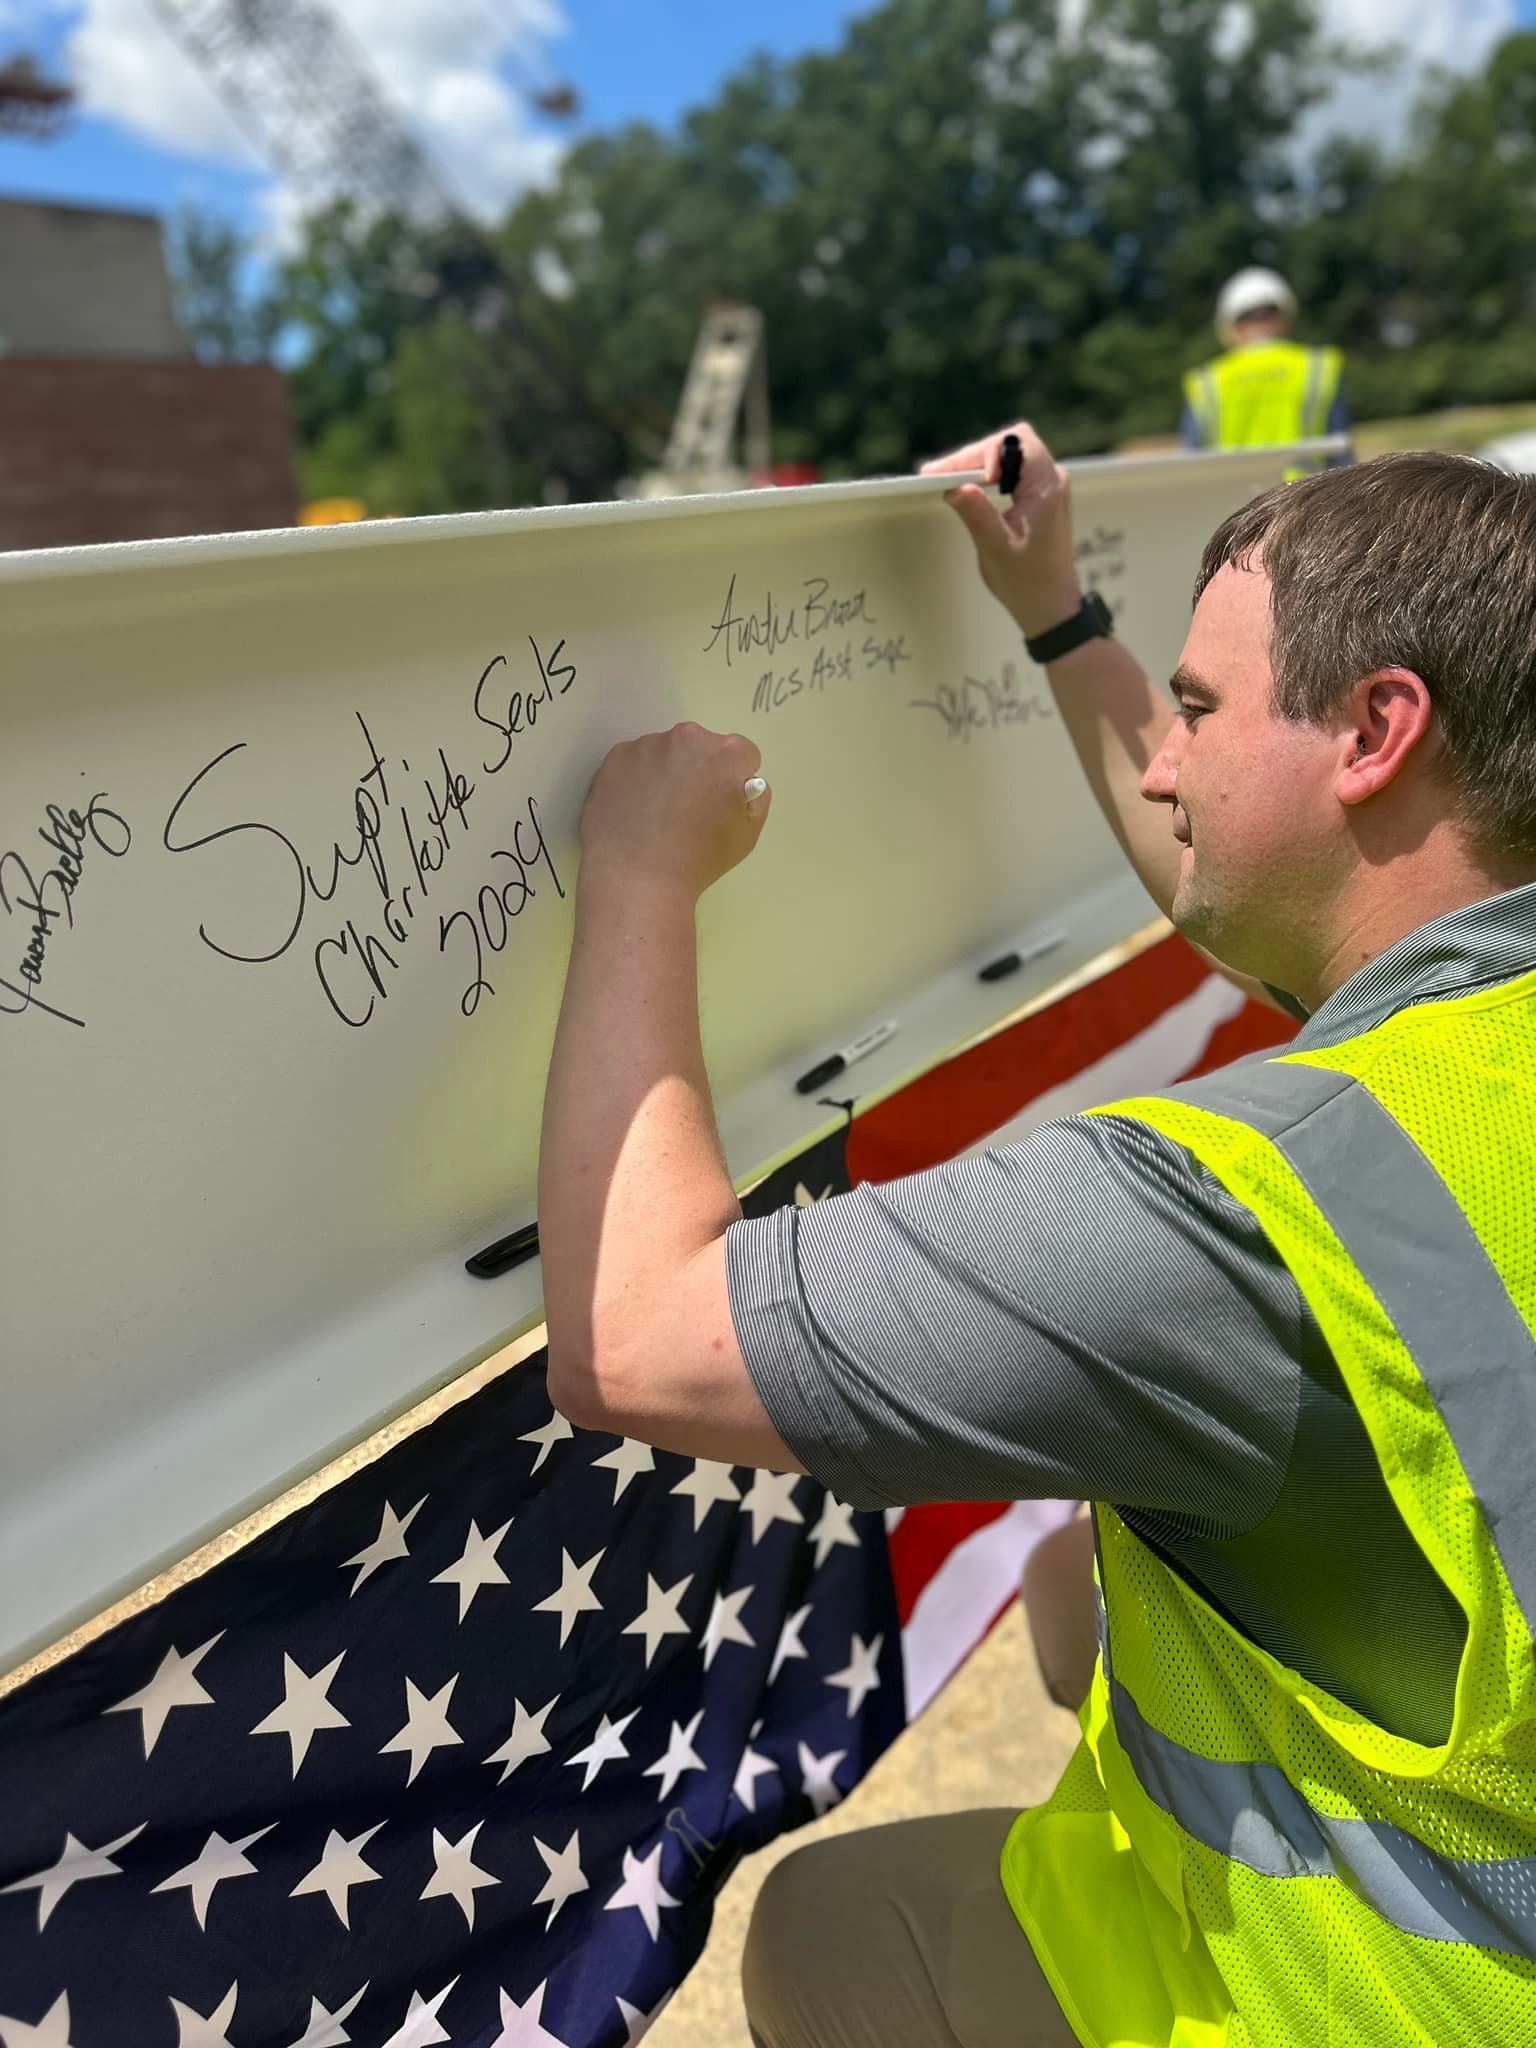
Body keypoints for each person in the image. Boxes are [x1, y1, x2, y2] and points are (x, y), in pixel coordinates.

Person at [536, 419, 1536, 2047]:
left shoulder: (1255, 1201)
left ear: (1376, 728)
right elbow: (1250, 868)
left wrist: (641, 865)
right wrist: (1060, 614)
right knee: (1082, 1605)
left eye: (1198, 711)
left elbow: (637, 1333)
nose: (1164, 764)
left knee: (835, 1931)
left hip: (1417, 1997)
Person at [1182, 266, 1350, 475]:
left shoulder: (1206, 381)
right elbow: (1342, 457)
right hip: (1305, 503)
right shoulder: (1319, 366)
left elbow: (1192, 464)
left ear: (1230, 326)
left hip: (1235, 505)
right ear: (1285, 316)